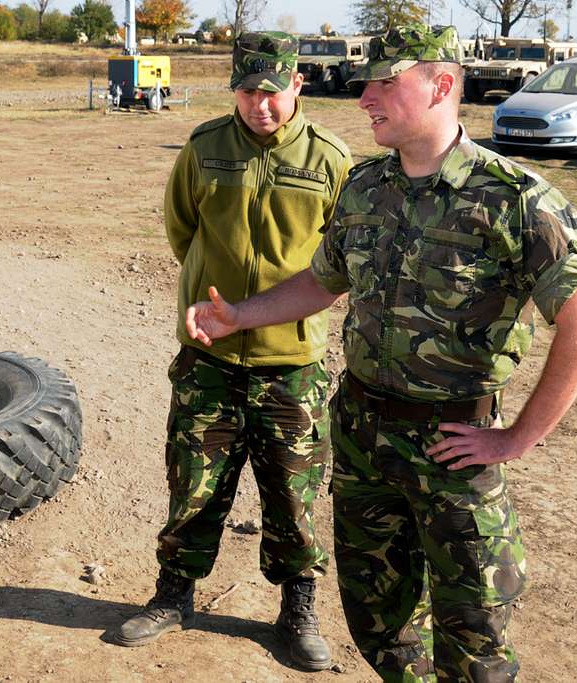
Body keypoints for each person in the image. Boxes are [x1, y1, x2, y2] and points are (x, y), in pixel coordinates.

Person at [185, 23, 577, 682]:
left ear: (442, 84)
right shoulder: (365, 187)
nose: (365, 97)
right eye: (370, 82)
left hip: (452, 449)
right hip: (362, 440)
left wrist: (515, 439)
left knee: (474, 639)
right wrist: (240, 313)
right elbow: (322, 279)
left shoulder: (515, 200)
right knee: (376, 619)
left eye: (387, 81)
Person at [111, 31, 353, 671]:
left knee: (293, 495)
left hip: (291, 363)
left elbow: (341, 261)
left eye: (271, 91)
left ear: (297, 84)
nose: (259, 105)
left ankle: (297, 608)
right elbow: (181, 227)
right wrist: (205, 294)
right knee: (193, 484)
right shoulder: (204, 146)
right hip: (209, 357)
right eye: (247, 91)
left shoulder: (332, 160)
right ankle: (173, 595)